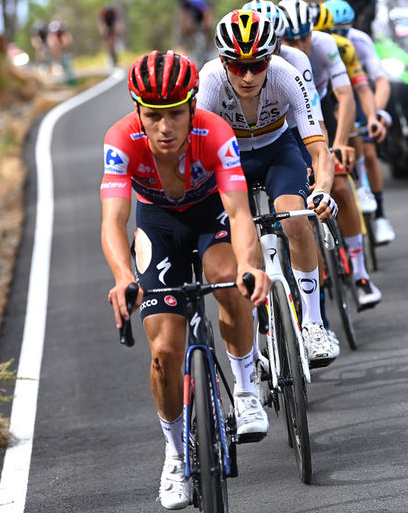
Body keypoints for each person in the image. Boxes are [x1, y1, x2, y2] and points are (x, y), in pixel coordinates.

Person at [101, 50, 271, 509]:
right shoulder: (120, 140)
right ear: (138, 111)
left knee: (227, 277)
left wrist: (251, 264)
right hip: (157, 225)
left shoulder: (215, 133)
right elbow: (114, 221)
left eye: (175, 113)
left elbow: (239, 212)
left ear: (192, 106)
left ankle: (245, 385)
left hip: (209, 215)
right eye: (153, 116)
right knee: (163, 352)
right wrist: (122, 278)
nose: (164, 127)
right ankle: (175, 454)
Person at [196, 9, 341, 366]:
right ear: (221, 58)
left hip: (279, 150)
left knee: (294, 219)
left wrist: (322, 190)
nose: (246, 76)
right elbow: (197, 154)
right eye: (236, 65)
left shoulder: (287, 75)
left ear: (271, 57)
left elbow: (319, 150)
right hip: (230, 159)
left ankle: (313, 323)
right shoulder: (211, 80)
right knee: (239, 238)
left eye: (257, 65)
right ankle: (255, 331)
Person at [278, 0, 383, 309]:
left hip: (324, 109)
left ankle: (361, 276)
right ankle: (316, 281)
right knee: (299, 201)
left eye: (305, 36)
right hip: (288, 122)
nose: (301, 45)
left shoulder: (326, 44)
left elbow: (345, 96)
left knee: (337, 184)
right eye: (291, 39)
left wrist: (336, 146)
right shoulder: (281, 58)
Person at [324, 0, 397, 244]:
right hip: (330, 94)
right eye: (337, 30)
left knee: (370, 149)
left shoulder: (359, 41)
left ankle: (380, 215)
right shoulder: (323, 43)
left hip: (355, 90)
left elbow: (379, 81)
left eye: (347, 28)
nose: (343, 34)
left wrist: (375, 115)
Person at [173, 0, 214, 68]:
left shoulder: (195, 0)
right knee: (190, 32)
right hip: (196, 18)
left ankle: (211, 48)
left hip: (205, 15)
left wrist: (206, 25)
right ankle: (196, 52)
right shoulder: (184, 5)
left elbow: (206, 12)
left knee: (206, 30)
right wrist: (186, 27)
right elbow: (185, 17)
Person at [46, 18, 76, 85]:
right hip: (58, 53)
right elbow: (51, 43)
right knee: (62, 68)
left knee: (68, 66)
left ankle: (71, 83)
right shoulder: (51, 36)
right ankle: (67, 83)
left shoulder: (63, 33)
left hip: (64, 51)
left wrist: (61, 45)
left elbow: (68, 40)